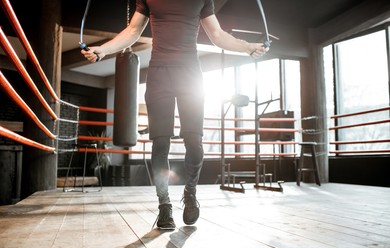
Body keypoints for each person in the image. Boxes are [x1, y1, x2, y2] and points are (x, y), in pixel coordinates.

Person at [82, 0, 269, 229]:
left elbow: (217, 35)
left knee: (194, 141)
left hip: (190, 75)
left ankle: (190, 194)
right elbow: (133, 31)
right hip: (160, 73)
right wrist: (103, 49)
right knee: (160, 144)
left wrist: (248, 47)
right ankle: (164, 206)